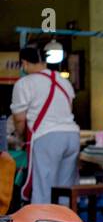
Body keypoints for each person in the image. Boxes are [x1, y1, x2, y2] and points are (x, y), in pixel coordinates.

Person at [8, 45, 80, 205]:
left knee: (43, 189)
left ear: (24, 63)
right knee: (65, 189)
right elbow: (68, 109)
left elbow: (19, 119)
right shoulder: (63, 81)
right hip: (72, 136)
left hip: (47, 138)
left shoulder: (24, 83)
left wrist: (20, 139)